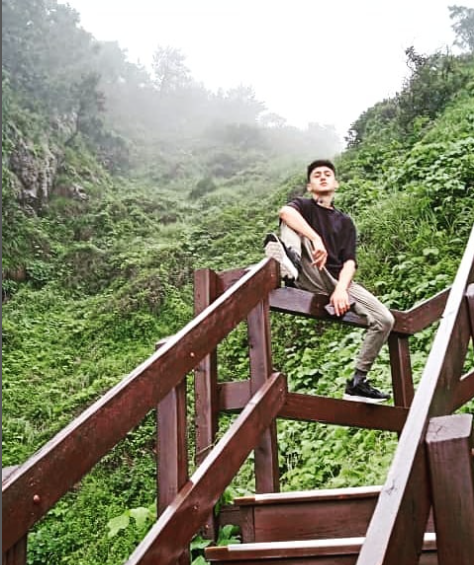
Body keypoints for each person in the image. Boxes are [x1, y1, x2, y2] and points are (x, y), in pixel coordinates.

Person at [264, 159, 394, 403]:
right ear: (309, 186)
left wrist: (342, 290)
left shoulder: (345, 222)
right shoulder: (304, 206)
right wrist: (316, 239)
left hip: (335, 281)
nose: (322, 177)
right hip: (308, 268)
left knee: (385, 319)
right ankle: (289, 266)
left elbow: (350, 263)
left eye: (327, 174)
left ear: (336, 183)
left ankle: (357, 383)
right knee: (291, 221)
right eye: (317, 175)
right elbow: (285, 213)